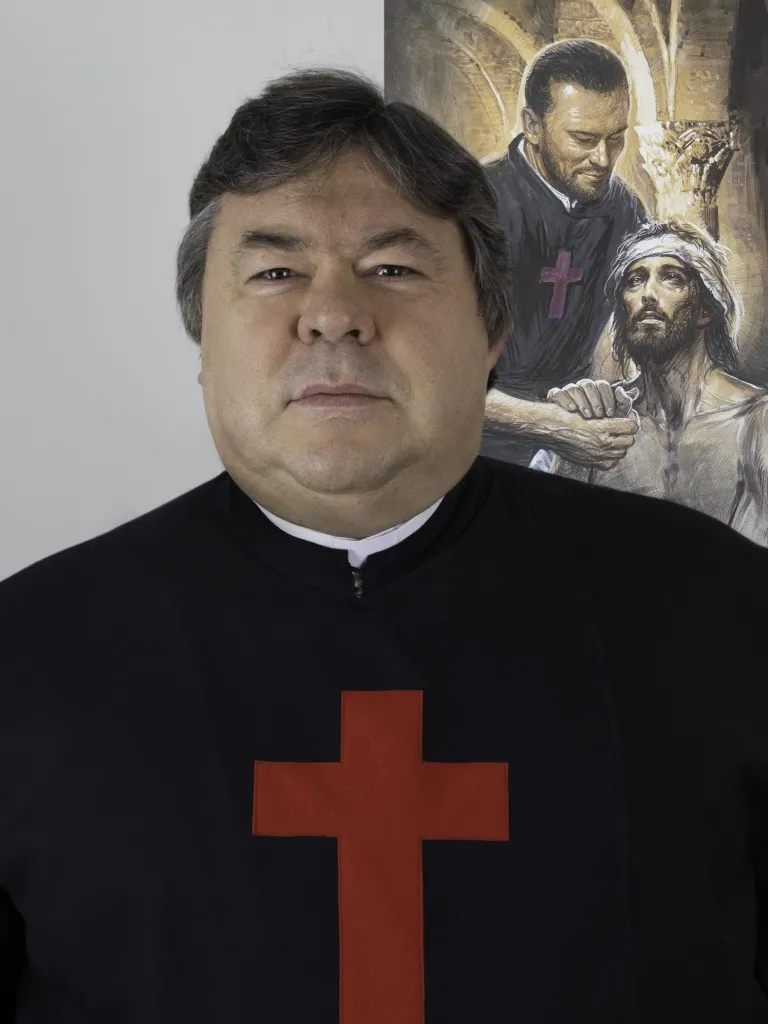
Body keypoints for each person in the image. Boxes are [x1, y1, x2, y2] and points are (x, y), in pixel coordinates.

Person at [1, 68, 767, 1024]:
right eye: (275, 272)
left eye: (394, 269)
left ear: (493, 332)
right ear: (203, 337)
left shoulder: (724, 613)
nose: (334, 314)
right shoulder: (27, 653)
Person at [534, 219, 768, 545]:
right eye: (635, 280)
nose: (647, 294)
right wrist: (566, 436)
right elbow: (543, 536)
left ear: (704, 310)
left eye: (671, 278)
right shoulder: (600, 415)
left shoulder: (755, 420)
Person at [482, 38, 647, 466]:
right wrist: (555, 426)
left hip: (579, 440)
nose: (603, 159)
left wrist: (605, 393)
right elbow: (430, 382)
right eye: (583, 139)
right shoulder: (471, 205)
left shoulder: (625, 211)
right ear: (533, 126)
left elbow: (626, 345)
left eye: (616, 139)